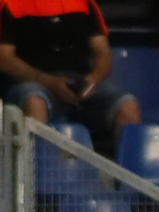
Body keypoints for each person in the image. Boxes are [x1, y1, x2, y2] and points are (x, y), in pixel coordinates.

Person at [0, 0, 140, 138]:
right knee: (35, 103)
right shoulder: (10, 4)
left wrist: (93, 79)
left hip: (79, 83)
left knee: (128, 106)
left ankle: (127, 161)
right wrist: (49, 82)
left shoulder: (84, 4)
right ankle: (36, 160)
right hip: (31, 82)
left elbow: (102, 51)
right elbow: (4, 59)